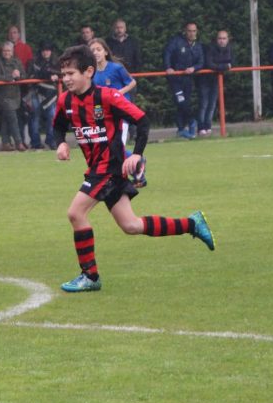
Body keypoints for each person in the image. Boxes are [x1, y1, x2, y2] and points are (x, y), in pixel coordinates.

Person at [53, 44, 215, 293]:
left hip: (108, 169)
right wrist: (61, 143)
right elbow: (58, 126)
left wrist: (137, 154)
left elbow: (142, 120)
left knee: (75, 213)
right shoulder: (66, 101)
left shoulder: (107, 97)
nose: (66, 79)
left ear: (88, 72)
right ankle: (192, 224)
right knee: (131, 225)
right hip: (99, 170)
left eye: (71, 73)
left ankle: (90, 276)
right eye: (63, 74)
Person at [90, 38, 145, 187]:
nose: (96, 53)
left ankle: (128, 177)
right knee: (107, 147)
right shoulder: (92, 73)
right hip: (105, 115)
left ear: (105, 52)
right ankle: (137, 164)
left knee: (117, 147)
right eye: (93, 50)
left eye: (98, 49)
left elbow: (132, 82)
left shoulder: (116, 68)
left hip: (121, 113)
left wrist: (118, 94)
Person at [163, 21, 204, 139]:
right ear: (185, 31)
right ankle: (191, 121)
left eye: (194, 31)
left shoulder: (198, 46)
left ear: (197, 32)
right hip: (175, 78)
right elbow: (167, 54)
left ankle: (181, 130)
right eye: (189, 31)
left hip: (188, 79)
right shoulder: (176, 42)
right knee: (181, 101)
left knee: (184, 104)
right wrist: (168, 67)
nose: (192, 33)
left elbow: (201, 62)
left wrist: (194, 68)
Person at [0, 41, 26, 151]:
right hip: (2, 95)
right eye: (5, 51)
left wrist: (19, 75)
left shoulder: (17, 61)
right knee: (13, 118)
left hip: (15, 94)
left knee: (6, 119)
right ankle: (19, 142)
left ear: (12, 51)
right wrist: (10, 77)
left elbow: (24, 75)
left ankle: (5, 143)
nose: (7, 53)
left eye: (9, 51)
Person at [197, 30, 233, 136]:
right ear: (216, 39)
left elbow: (232, 62)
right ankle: (201, 127)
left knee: (212, 104)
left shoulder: (230, 49)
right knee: (204, 104)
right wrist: (224, 66)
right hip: (205, 79)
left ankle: (208, 126)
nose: (222, 41)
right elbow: (210, 64)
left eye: (224, 38)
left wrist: (218, 66)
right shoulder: (210, 48)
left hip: (216, 80)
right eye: (220, 38)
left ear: (228, 39)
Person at [27, 43, 59, 150]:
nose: (46, 52)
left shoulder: (56, 62)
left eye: (48, 50)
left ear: (51, 51)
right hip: (36, 92)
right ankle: (36, 142)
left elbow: (62, 73)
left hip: (51, 94)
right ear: (41, 52)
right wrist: (48, 75)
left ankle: (51, 140)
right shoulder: (34, 62)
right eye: (44, 50)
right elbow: (31, 75)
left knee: (52, 116)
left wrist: (55, 75)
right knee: (35, 117)